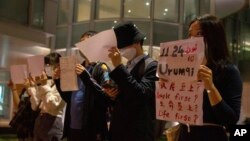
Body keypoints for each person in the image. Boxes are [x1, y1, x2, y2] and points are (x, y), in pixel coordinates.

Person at [177, 14, 243, 141]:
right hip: (185, 134)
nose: (192, 39)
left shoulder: (228, 71)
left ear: (214, 37)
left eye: (200, 34)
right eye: (190, 34)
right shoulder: (185, 68)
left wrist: (210, 87)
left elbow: (230, 120)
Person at [54, 30, 117, 141]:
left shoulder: (101, 68)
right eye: (80, 43)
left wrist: (85, 76)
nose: (81, 47)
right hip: (73, 127)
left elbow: (105, 99)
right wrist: (58, 81)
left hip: (92, 129)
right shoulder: (77, 67)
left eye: (85, 43)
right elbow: (68, 98)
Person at [107, 21, 158, 141]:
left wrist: (119, 67)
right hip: (119, 129)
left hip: (137, 132)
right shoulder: (126, 67)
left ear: (137, 42)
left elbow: (141, 95)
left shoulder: (152, 66)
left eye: (124, 47)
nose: (121, 51)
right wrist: (113, 95)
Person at [25, 52, 66, 141]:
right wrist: (32, 88)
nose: (46, 68)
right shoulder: (48, 82)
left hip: (53, 122)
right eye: (45, 65)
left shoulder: (63, 84)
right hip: (40, 120)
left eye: (48, 65)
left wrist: (43, 86)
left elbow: (53, 106)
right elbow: (35, 106)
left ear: (58, 66)